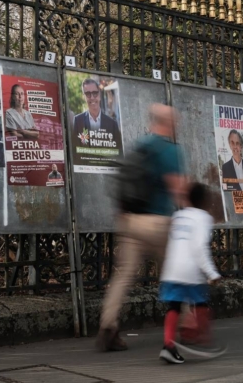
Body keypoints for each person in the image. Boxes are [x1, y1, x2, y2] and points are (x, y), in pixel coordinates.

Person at [97, 104, 186, 352]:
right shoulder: (169, 150)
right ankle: (188, 324)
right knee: (174, 272)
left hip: (130, 221)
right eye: (174, 120)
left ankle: (108, 326)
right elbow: (177, 189)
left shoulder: (139, 146)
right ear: (167, 123)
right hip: (158, 223)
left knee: (123, 276)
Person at [159, 182, 225, 364]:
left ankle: (168, 346)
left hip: (172, 269)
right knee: (201, 303)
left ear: (187, 198)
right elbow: (199, 247)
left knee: (174, 306)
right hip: (190, 271)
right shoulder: (203, 218)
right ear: (204, 201)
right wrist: (211, 272)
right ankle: (202, 338)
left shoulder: (178, 216)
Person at [73, 78, 121, 145]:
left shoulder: (112, 124)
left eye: (95, 93)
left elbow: (118, 151)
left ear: (99, 95)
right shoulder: (78, 121)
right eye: (88, 94)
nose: (92, 97)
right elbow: (75, 148)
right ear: (83, 97)